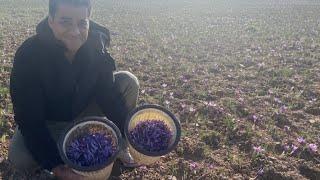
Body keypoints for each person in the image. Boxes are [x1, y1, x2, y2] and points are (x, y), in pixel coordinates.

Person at [8, 0, 139, 179]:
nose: (75, 31)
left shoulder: (95, 44)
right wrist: (56, 165)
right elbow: (30, 119)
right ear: (51, 20)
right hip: (51, 121)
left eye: (82, 23)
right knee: (20, 156)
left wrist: (131, 132)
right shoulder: (29, 55)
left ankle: (120, 147)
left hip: (83, 110)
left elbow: (106, 93)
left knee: (128, 82)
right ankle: (55, 156)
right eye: (65, 22)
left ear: (88, 20)